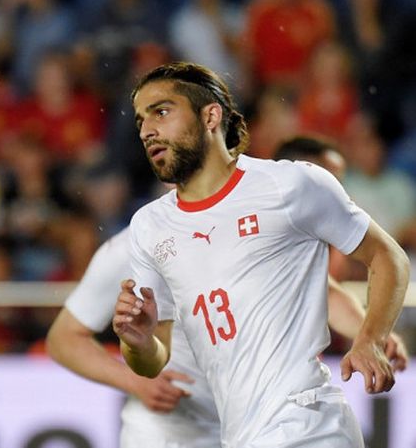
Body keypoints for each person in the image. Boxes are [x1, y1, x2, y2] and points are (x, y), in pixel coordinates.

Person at [113, 61, 409, 447]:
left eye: (162, 112)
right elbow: (154, 360)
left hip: (307, 421)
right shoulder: (150, 226)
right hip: (239, 434)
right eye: (140, 122)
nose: (147, 130)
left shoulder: (287, 184)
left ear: (210, 116)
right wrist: (137, 341)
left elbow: (388, 257)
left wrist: (370, 337)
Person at [46, 138, 408, 448]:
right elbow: (64, 339)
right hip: (171, 428)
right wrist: (134, 381)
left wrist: (371, 333)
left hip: (251, 425)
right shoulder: (136, 245)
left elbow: (326, 295)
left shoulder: (257, 233)